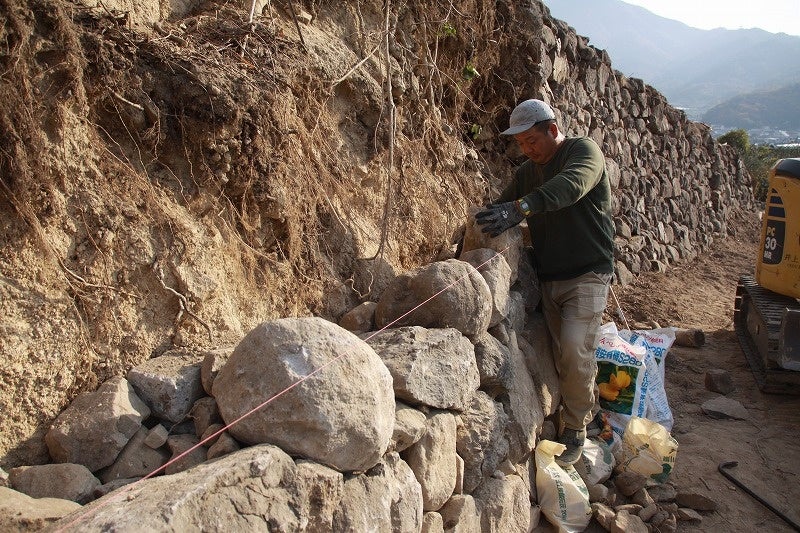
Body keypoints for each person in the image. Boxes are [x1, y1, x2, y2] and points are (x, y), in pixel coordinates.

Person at [475, 98, 615, 466]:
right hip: (550, 277)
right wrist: (485, 220)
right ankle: (588, 408)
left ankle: (577, 426)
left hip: (588, 273)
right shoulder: (527, 172)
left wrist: (522, 207)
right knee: (563, 353)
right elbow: (501, 207)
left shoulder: (582, 152)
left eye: (532, 141)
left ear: (552, 130)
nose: (527, 149)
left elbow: (571, 186)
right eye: (521, 144)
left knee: (574, 346)